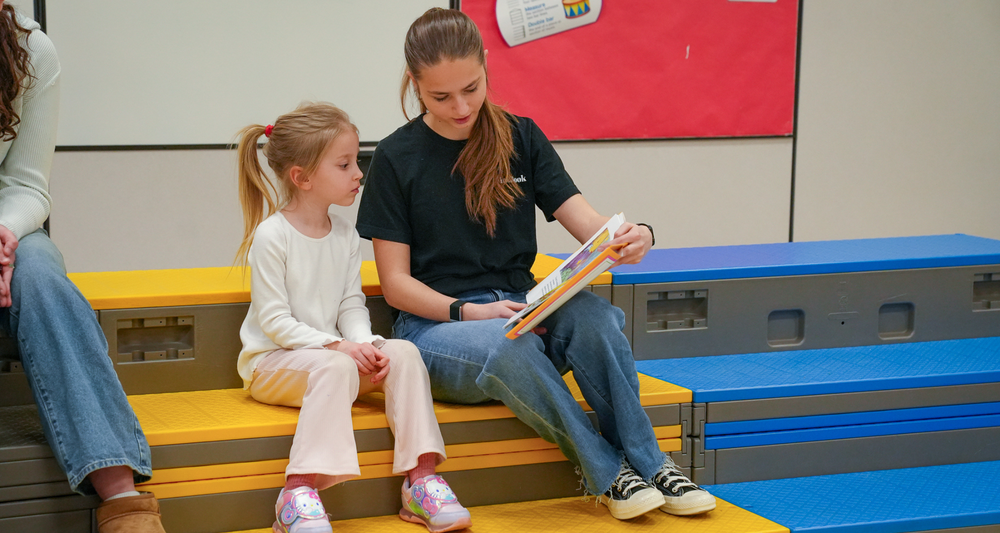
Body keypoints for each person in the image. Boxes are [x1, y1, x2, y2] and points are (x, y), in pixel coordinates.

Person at [356, 8, 717, 521]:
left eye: (472, 88)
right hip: (437, 327)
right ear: (415, 85)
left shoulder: (520, 136)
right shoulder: (395, 158)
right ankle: (607, 473)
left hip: (521, 304)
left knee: (598, 320)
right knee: (510, 344)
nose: (461, 106)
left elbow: (590, 226)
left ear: (485, 66)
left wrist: (635, 237)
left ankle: (653, 462)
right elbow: (395, 285)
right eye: (441, 96)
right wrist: (466, 312)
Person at [234, 102, 471, 533]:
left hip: (332, 362)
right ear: (302, 178)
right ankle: (298, 491)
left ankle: (421, 479)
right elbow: (274, 323)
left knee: (403, 353)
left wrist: (366, 343)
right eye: (344, 164)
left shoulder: (344, 233)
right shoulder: (272, 236)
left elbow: (350, 304)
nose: (359, 173)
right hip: (273, 365)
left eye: (356, 161)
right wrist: (339, 347)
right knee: (337, 364)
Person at [0, 4, 166, 532]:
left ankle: (124, 505)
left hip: (5, 228)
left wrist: (3, 239)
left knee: (42, 278)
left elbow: (26, 185)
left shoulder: (30, 50)